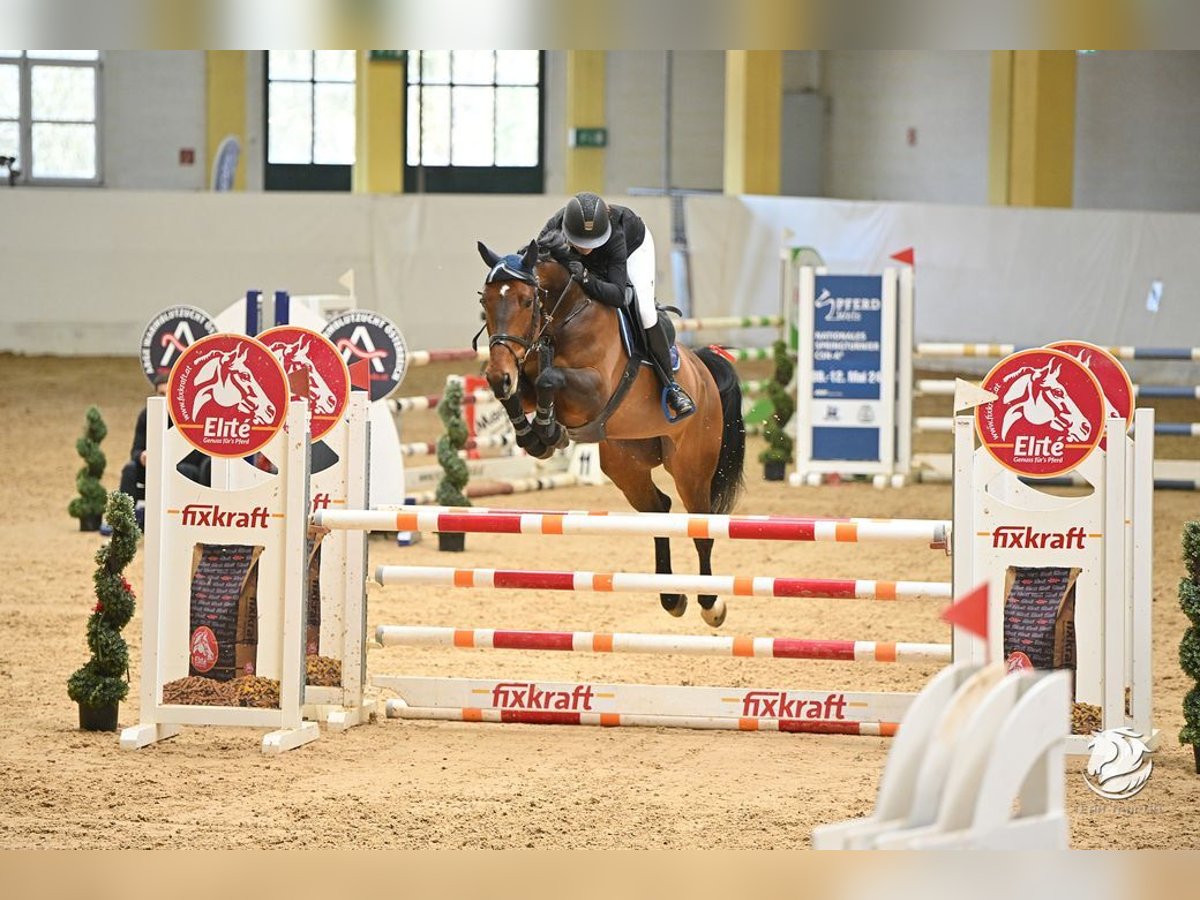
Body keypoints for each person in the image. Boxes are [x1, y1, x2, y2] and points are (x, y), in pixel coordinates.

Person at [539, 192, 695, 419]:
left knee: (644, 312)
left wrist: (585, 278)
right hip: (593, 260)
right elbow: (532, 259)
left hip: (634, 248)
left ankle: (671, 386)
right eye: (580, 243)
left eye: (591, 243)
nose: (586, 250)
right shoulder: (555, 227)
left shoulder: (615, 236)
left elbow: (617, 295)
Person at [113, 373, 208, 531]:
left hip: (187, 469)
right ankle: (123, 527)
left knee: (182, 470)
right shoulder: (147, 415)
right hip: (155, 468)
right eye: (161, 394)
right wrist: (142, 456)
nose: (165, 398)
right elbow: (135, 450)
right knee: (129, 470)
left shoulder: (194, 413)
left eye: (169, 393)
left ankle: (180, 527)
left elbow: (200, 455)